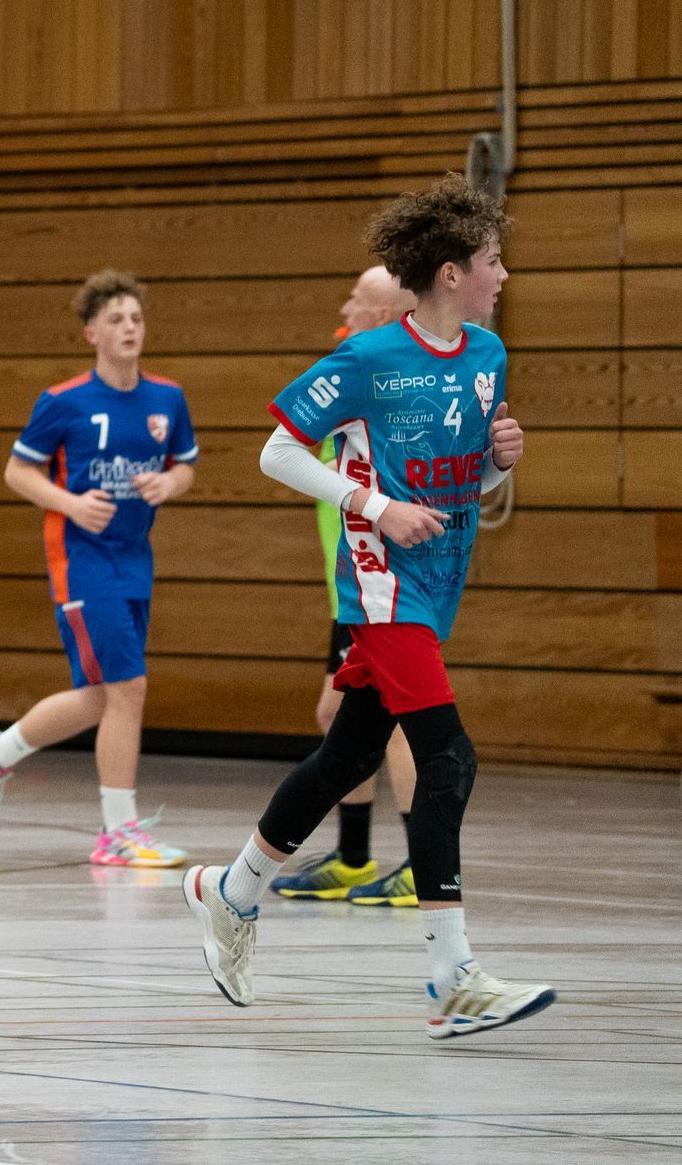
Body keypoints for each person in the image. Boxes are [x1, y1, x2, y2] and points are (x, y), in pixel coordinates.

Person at [183, 175, 555, 1038]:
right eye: (494, 260)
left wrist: (499, 459)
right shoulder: (368, 359)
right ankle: (452, 980)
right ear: (453, 272)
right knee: (447, 758)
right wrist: (374, 507)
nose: (504, 274)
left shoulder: (488, 356)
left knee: (348, 751)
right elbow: (278, 453)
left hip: (441, 576)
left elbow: (468, 482)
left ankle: (231, 890)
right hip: (382, 584)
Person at [0, 269, 198, 867]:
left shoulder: (167, 398)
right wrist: (70, 503)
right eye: (116, 319)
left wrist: (168, 483)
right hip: (83, 562)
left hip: (135, 558)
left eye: (136, 318)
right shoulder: (64, 401)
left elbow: (186, 466)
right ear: (91, 332)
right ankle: (117, 833)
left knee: (101, 697)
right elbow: (18, 471)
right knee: (129, 689)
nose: (129, 328)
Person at [270, 267, 421, 906]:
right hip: (355, 587)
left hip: (382, 582)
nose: (344, 307)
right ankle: (355, 858)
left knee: (398, 721)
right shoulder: (358, 373)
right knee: (339, 714)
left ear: (383, 314)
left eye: (357, 300)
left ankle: (422, 866)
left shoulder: (380, 381)